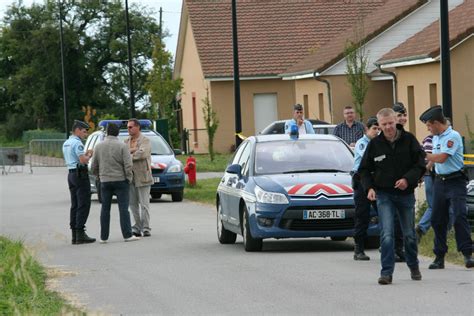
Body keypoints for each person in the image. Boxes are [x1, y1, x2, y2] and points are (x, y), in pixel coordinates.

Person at [359, 108, 425, 285]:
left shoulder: (409, 140)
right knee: (387, 234)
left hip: (405, 195)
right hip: (384, 194)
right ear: (379, 125)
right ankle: (386, 273)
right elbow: (364, 170)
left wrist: (407, 179)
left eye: (390, 123)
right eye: (384, 124)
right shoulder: (374, 144)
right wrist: (369, 188)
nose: (388, 127)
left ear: (396, 120)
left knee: (409, 234)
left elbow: (420, 164)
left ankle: (413, 265)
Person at [419, 106, 474, 269]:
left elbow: (442, 158)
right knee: (437, 219)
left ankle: (467, 254)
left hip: (455, 181)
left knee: (459, 216)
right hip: (439, 182)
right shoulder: (435, 137)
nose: (428, 128)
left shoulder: (453, 136)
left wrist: (422, 154)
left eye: (429, 125)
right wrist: (423, 172)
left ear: (436, 123)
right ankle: (439, 256)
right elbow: (434, 160)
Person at [90, 123, 140, 243]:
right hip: (120, 180)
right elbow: (128, 165)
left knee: (105, 209)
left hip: (105, 181)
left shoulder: (98, 146)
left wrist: (99, 176)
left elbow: (93, 166)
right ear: (117, 133)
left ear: (107, 132)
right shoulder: (122, 146)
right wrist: (129, 178)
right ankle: (127, 235)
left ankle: (104, 237)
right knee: (123, 209)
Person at [62, 120, 96, 244]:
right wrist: (89, 155)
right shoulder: (77, 143)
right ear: (77, 130)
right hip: (80, 175)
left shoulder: (66, 143)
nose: (85, 134)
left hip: (71, 174)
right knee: (84, 204)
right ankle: (80, 233)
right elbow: (83, 161)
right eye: (84, 131)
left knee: (75, 204)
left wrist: (84, 155)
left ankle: (74, 234)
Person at [351, 117, 379, 261]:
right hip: (361, 180)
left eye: (378, 129)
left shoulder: (379, 143)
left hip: (375, 180)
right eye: (374, 129)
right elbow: (368, 160)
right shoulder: (362, 143)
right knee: (362, 214)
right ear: (366, 130)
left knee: (382, 212)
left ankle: (389, 245)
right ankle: (359, 248)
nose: (377, 131)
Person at [125, 119, 154, 237]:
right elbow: (122, 154)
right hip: (130, 177)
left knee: (144, 204)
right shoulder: (126, 141)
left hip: (143, 176)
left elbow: (142, 154)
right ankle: (136, 227)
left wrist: (129, 154)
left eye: (131, 127)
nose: (129, 129)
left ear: (137, 127)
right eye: (128, 127)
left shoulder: (145, 140)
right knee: (132, 204)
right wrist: (133, 150)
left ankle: (146, 228)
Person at [391, 102, 409, 262]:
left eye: (404, 115)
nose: (403, 118)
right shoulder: (387, 137)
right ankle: (394, 248)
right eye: (399, 115)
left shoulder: (407, 137)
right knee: (394, 218)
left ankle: (401, 248)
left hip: (405, 184)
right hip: (390, 185)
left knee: (404, 217)